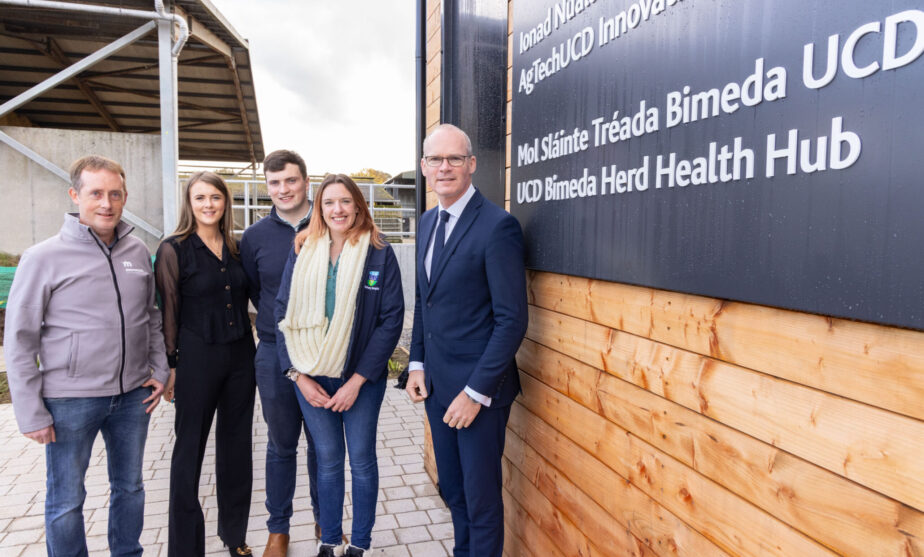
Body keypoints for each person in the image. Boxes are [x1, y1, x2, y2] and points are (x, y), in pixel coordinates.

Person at [4, 154, 168, 556]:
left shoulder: (135, 250)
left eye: (115, 194)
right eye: (96, 193)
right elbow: (20, 339)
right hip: (68, 401)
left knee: (130, 487)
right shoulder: (43, 257)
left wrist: (161, 370)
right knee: (66, 499)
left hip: (132, 397)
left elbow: (150, 317)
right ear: (75, 194)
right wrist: (30, 411)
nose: (106, 204)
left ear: (126, 196)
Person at [405, 124, 528, 557]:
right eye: (435, 159)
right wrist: (416, 363)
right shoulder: (426, 221)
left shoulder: (498, 227)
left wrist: (476, 393)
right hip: (438, 387)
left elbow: (512, 321)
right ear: (423, 167)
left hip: (479, 393)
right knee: (453, 491)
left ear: (471, 164)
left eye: (454, 158)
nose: (444, 167)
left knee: (480, 502)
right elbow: (426, 300)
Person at [275, 174, 404, 557]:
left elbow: (391, 319)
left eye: (345, 201)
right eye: (329, 202)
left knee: (361, 460)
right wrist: (297, 377)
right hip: (312, 375)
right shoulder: (303, 248)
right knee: (329, 461)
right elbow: (282, 312)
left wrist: (357, 381)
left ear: (359, 205)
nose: (338, 209)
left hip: (360, 379)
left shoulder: (379, 251)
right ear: (320, 208)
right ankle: (329, 540)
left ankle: (360, 544)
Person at [154, 171, 256, 557]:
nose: (209, 204)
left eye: (215, 197)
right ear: (189, 203)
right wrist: (171, 366)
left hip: (241, 358)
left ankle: (235, 537)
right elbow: (168, 313)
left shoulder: (236, 248)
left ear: (225, 202)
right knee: (188, 453)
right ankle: (184, 549)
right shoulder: (173, 249)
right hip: (196, 360)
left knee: (236, 449)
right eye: (200, 198)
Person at [239, 149, 324, 556]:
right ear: (267, 187)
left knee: (323, 444)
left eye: (290, 180)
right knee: (281, 443)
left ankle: (326, 521)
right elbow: (258, 290)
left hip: (324, 354)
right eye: (274, 183)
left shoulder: (331, 221)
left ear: (306, 182)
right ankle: (279, 529)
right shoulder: (254, 237)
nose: (283, 189)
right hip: (274, 353)